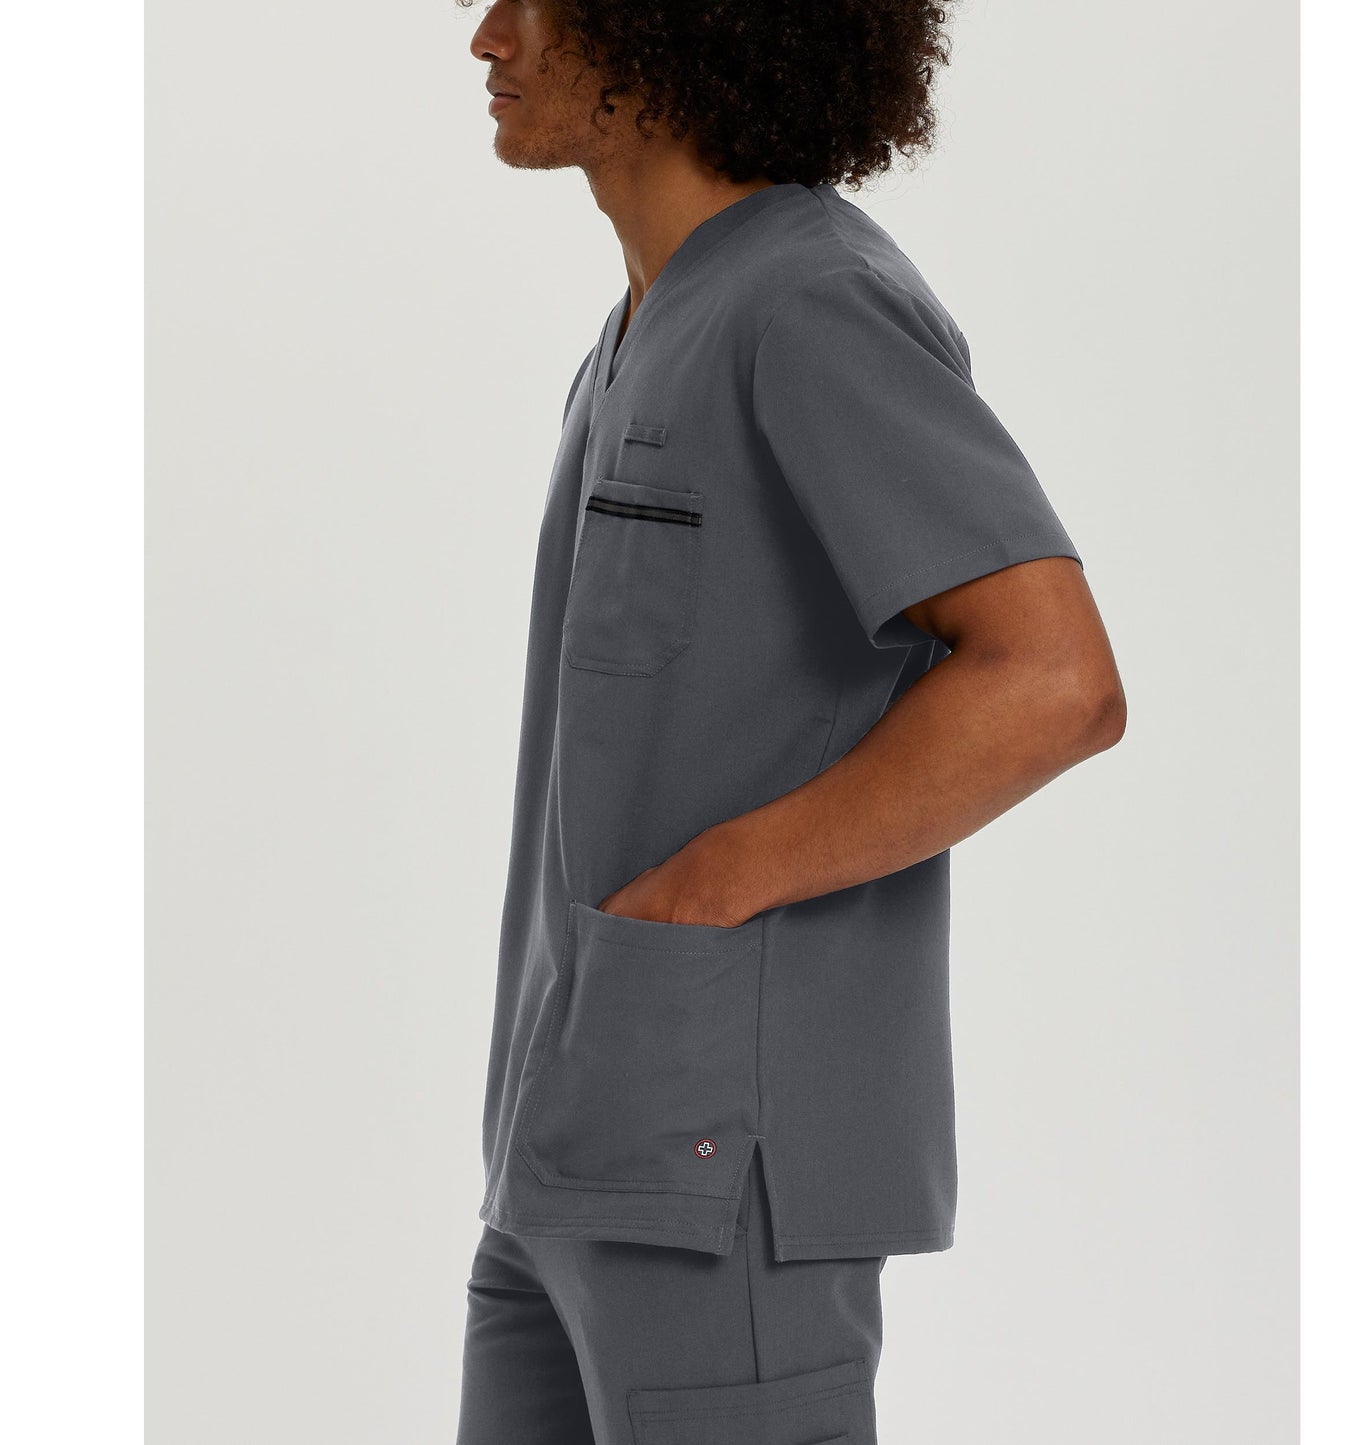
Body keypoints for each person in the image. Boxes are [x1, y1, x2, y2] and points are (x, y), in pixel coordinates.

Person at [456, 2, 1127, 1440]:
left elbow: (1051, 680)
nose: (488, 38)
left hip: (718, 1160)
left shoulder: (807, 302)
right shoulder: (646, 323)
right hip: (566, 1138)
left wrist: (713, 885)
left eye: (536, 3)